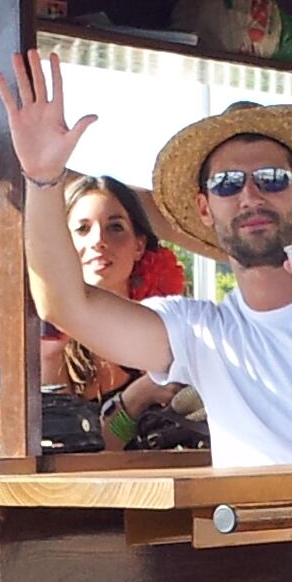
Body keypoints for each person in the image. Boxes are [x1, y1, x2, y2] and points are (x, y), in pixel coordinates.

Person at [0, 53, 292, 467]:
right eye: (227, 184)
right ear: (205, 209)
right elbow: (66, 306)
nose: (250, 196)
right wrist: (43, 178)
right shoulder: (200, 332)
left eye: (271, 179)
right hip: (250, 530)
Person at [35, 174, 189, 439]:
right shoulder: (48, 345)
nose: (98, 241)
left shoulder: (171, 329)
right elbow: (78, 450)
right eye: (82, 229)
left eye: (115, 227)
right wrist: (135, 399)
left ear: (139, 245)